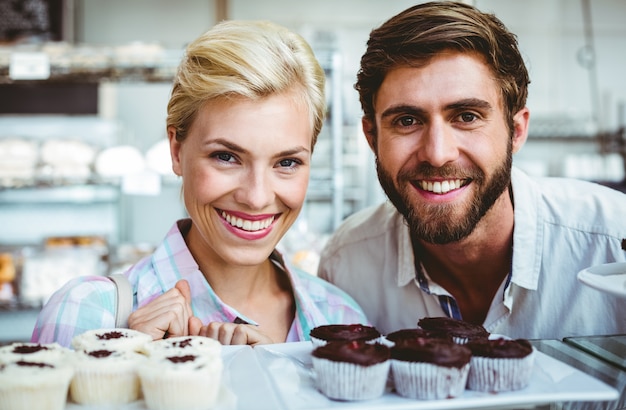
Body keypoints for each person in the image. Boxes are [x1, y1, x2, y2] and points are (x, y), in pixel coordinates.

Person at [32, 20, 368, 348]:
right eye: (226, 157)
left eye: (287, 162)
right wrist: (127, 365)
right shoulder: (86, 315)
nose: (256, 197)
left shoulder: (342, 321)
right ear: (177, 151)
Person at [318, 1, 626, 340]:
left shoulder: (612, 242)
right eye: (407, 121)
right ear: (372, 137)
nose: (437, 154)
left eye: (466, 116)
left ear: (517, 131)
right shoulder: (347, 264)